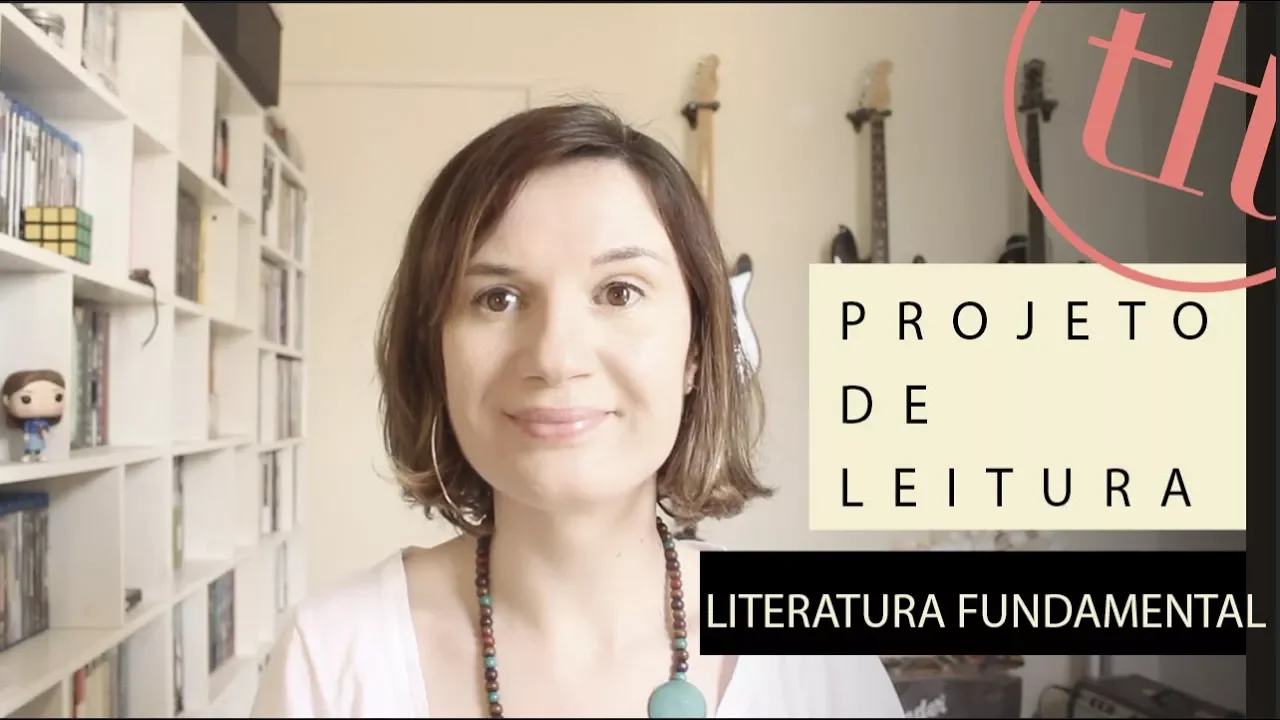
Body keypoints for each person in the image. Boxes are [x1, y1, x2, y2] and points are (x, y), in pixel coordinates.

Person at [250, 103, 904, 718]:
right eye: (497, 298)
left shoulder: (819, 655)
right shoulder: (330, 659)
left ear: (696, 350)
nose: (556, 357)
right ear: (434, 353)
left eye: (619, 292)